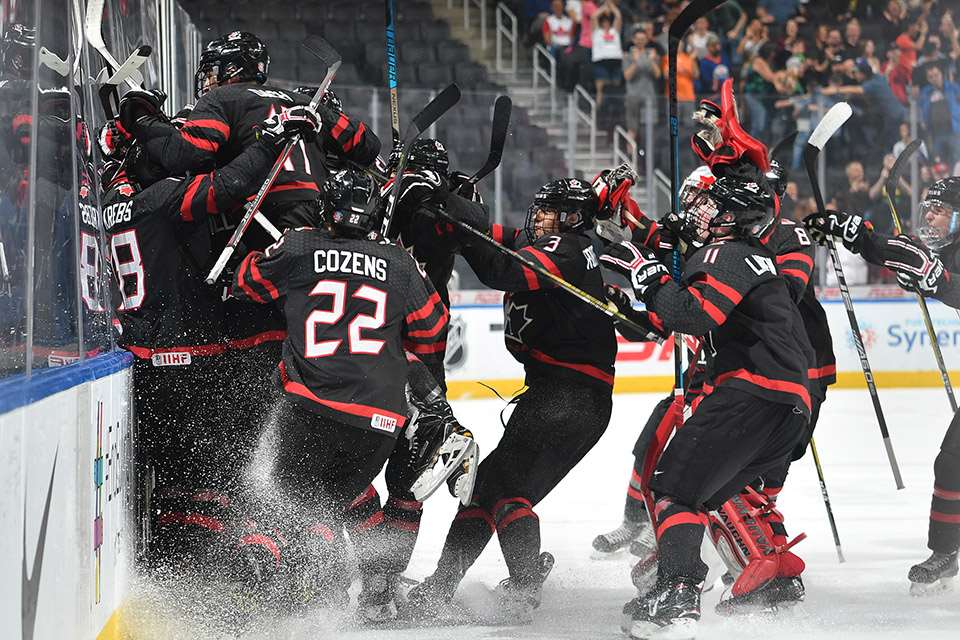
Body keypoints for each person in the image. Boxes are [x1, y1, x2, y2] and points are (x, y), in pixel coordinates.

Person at [100, 103, 321, 571]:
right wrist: (270, 139)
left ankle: (168, 570)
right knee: (211, 481)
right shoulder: (164, 198)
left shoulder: (105, 206)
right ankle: (200, 579)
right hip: (190, 366)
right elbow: (230, 185)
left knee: (170, 484)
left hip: (138, 366)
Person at [601, 169, 813, 638]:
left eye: (713, 206)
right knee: (718, 494)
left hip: (750, 392)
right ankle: (768, 580)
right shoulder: (754, 258)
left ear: (735, 217)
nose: (703, 211)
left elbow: (693, 314)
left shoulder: (728, 252)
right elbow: (686, 312)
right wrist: (649, 290)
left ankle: (677, 595)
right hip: (789, 405)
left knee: (674, 487)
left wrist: (648, 276)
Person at [230, 168, 450, 609]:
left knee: (277, 501)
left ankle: (266, 589)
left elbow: (245, 283)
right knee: (337, 498)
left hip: (311, 407)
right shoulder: (399, 262)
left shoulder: (299, 245)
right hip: (380, 421)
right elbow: (433, 330)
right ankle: (369, 587)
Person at [407, 178, 616, 621]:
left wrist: (458, 220)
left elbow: (503, 270)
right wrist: (450, 212)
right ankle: (444, 586)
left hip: (569, 397)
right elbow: (495, 238)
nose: (535, 217)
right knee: (489, 489)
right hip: (569, 398)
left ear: (571, 216)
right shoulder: (562, 241)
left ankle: (522, 586)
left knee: (505, 486)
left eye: (546, 210)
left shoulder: (568, 247)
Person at [803, 177, 960, 595]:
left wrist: (939, 279)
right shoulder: (949, 251)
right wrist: (856, 232)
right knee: (952, 463)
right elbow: (906, 256)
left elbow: (946, 280)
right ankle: (945, 552)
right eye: (928, 207)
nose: (929, 216)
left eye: (939, 209)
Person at [623, 28, 661, 140]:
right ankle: (630, 156)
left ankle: (649, 155)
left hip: (649, 96)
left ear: (646, 40)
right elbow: (627, 76)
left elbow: (658, 74)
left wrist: (652, 60)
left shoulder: (652, 54)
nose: (640, 41)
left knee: (649, 127)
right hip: (633, 96)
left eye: (643, 39)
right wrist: (635, 61)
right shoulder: (628, 55)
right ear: (633, 40)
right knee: (632, 128)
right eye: (638, 39)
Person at [591, 4, 623, 107]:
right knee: (600, 88)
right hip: (601, 61)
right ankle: (599, 112)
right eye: (604, 21)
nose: (606, 23)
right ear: (601, 23)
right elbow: (593, 17)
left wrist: (611, 5)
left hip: (615, 60)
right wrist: (604, 6)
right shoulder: (597, 32)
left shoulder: (615, 31)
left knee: (616, 86)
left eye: (608, 21)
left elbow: (618, 16)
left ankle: (616, 110)